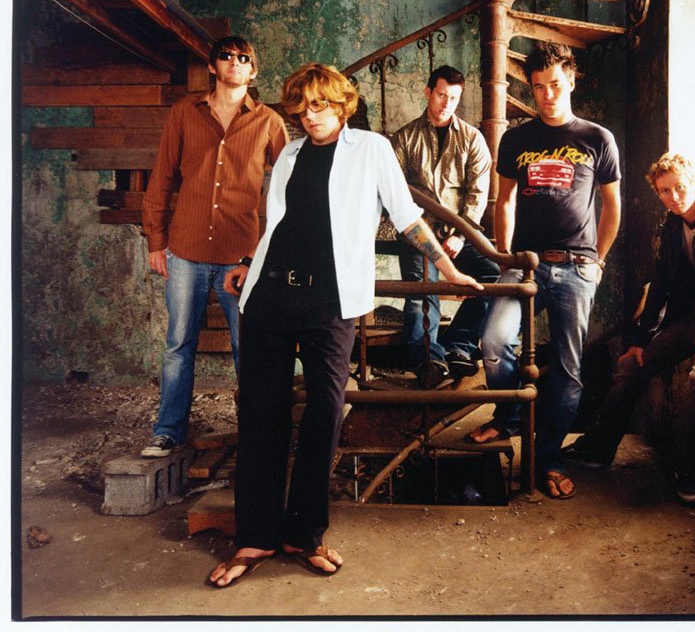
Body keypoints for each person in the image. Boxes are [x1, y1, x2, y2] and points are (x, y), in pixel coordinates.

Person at [208, 63, 481, 588]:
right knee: (261, 413)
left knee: (326, 412)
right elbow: (278, 222)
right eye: (302, 108)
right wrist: (248, 261)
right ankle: (255, 536)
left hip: (329, 302)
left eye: (320, 106)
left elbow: (407, 217)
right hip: (269, 296)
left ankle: (303, 534)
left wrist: (448, 271)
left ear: (341, 105)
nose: (310, 116)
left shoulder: (371, 149)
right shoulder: (290, 154)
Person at [562, 152, 695, 505]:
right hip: (690, 321)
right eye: (664, 191)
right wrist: (640, 340)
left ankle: (688, 473)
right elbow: (659, 286)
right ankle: (597, 450)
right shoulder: (672, 227)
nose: (674, 196)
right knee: (631, 365)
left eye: (679, 187)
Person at [468, 42, 622, 501]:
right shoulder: (516, 139)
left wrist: (598, 260)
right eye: (538, 87)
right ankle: (510, 416)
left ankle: (549, 459)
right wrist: (504, 254)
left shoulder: (597, 138)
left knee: (568, 371)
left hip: (576, 267)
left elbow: (612, 205)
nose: (547, 94)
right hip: (524, 265)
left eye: (555, 84)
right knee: (493, 343)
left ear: (570, 81)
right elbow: (505, 200)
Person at [140, 35, 289, 458]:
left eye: (244, 58)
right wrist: (156, 241)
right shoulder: (185, 112)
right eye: (226, 56)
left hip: (240, 255)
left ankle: (257, 433)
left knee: (250, 347)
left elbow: (290, 182)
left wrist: (271, 245)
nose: (235, 63)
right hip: (185, 249)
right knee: (178, 345)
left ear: (253, 71)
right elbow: (162, 176)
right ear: (212, 66)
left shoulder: (268, 121)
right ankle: (169, 431)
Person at [390, 65, 500, 387]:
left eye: (453, 98)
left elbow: (477, 195)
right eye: (441, 95)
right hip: (418, 236)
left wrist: (460, 236)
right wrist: (425, 234)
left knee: (494, 277)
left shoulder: (473, 139)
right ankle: (429, 361)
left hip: (460, 236)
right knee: (423, 292)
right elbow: (395, 194)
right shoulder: (404, 138)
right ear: (428, 92)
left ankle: (459, 346)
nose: (446, 103)